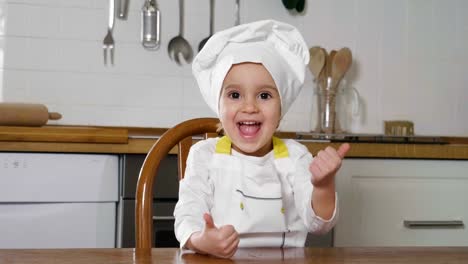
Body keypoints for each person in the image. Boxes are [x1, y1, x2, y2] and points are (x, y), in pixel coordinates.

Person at [174, 19, 350, 259]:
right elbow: (188, 213)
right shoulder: (204, 156)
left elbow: (320, 225)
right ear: (219, 105)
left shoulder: (295, 156)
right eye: (235, 94)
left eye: (264, 95)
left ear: (281, 109)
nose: (249, 107)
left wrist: (323, 186)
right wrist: (201, 240)